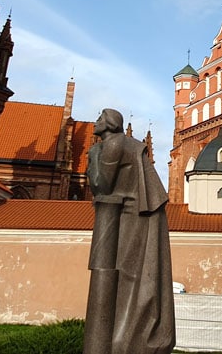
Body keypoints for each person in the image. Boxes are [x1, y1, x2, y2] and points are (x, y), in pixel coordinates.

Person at [83, 108, 175, 354]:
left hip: (133, 217)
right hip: (128, 215)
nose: (96, 121)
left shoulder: (113, 145)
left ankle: (125, 339)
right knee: (127, 274)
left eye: (100, 118)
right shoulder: (119, 143)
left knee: (129, 274)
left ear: (111, 124)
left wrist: (92, 159)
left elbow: (102, 185)